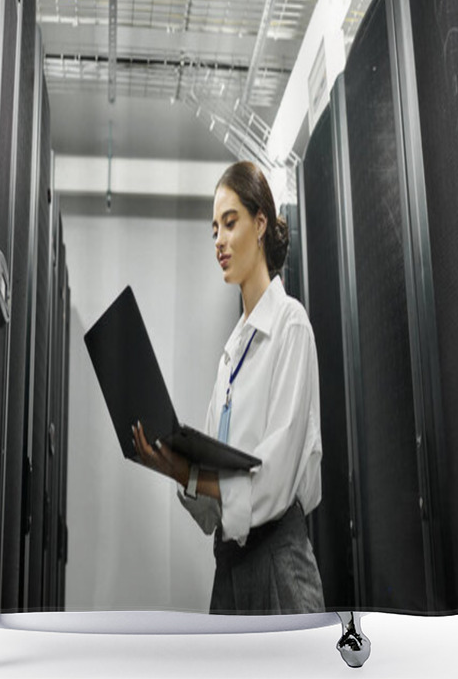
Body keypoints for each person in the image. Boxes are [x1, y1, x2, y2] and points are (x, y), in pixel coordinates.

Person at [133, 160, 325, 615]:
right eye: (213, 229)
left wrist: (194, 476)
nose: (218, 239)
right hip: (230, 568)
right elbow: (212, 514)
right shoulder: (231, 352)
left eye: (230, 222)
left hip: (279, 563)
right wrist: (176, 467)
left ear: (260, 224)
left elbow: (274, 483)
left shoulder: (290, 325)